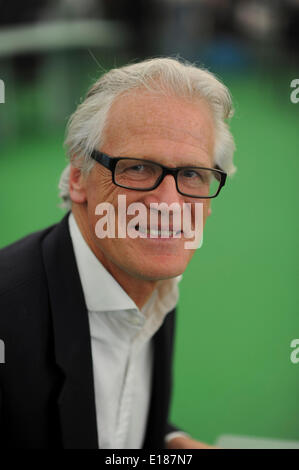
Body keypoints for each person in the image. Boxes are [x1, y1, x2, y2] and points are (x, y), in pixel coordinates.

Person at [0, 57, 236, 449]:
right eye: (139, 168)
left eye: (192, 174)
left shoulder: (151, 283)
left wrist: (170, 441)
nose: (168, 203)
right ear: (78, 177)